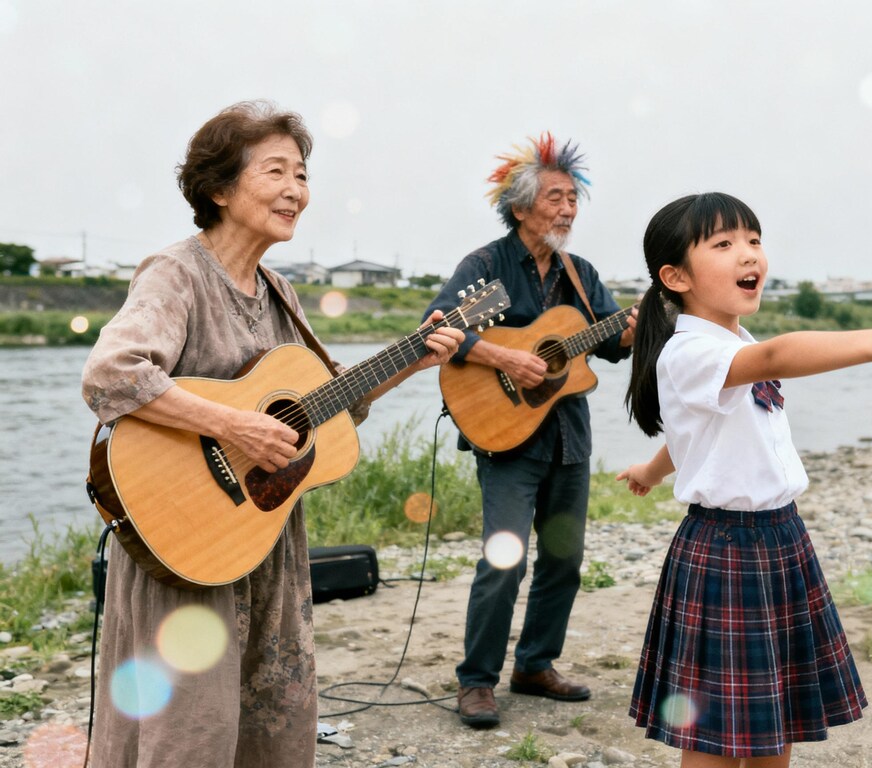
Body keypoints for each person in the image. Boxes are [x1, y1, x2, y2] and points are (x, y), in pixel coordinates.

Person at [80, 101, 463, 768]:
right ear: (220, 188)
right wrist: (234, 425)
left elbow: (322, 407)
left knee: (271, 726)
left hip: (263, 535)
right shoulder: (177, 273)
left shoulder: (279, 289)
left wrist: (412, 360)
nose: (296, 191)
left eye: (303, 175)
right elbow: (110, 375)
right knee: (190, 730)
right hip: (187, 533)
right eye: (276, 171)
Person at [615, 192, 872, 767]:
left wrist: (650, 470)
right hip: (726, 549)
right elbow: (778, 358)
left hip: (783, 538)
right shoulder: (690, 352)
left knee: (776, 714)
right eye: (724, 243)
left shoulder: (735, 343)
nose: (748, 253)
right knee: (712, 732)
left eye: (754, 240)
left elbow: (697, 434)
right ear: (676, 276)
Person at [424, 132, 637, 728]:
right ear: (520, 208)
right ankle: (476, 680)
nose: (567, 209)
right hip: (505, 438)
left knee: (565, 560)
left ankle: (535, 665)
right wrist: (506, 358)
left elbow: (612, 342)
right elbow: (437, 330)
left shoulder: (579, 273)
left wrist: (636, 324)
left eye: (573, 199)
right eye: (554, 198)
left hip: (568, 436)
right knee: (505, 560)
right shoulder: (487, 266)